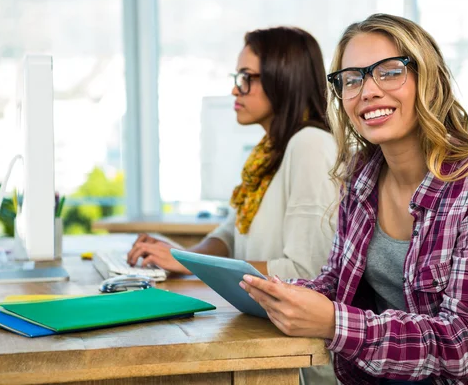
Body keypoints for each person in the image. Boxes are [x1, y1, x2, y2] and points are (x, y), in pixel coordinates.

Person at [241, 14, 468, 385]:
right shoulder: (361, 176)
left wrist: (334, 322)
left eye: (389, 72)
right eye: (352, 79)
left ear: (427, 79)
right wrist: (279, 293)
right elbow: (336, 282)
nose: (367, 91)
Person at [127, 26, 338, 385]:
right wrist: (184, 256)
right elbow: (231, 230)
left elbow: (307, 272)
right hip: (264, 337)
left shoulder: (310, 145)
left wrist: (188, 263)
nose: (234, 90)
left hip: (298, 361)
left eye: (245, 78)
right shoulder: (267, 153)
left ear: (282, 79)